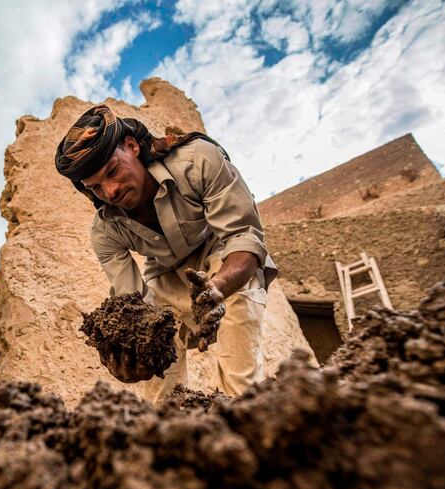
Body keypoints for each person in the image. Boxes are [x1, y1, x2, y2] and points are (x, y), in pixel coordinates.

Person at [55, 105, 278, 402]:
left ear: (132, 146)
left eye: (113, 171)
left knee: (242, 378)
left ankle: (243, 422)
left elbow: (244, 240)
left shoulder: (198, 159)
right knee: (160, 396)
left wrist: (217, 288)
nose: (110, 191)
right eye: (95, 188)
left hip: (221, 256)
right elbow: (133, 305)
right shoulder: (105, 232)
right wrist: (131, 354)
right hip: (164, 274)